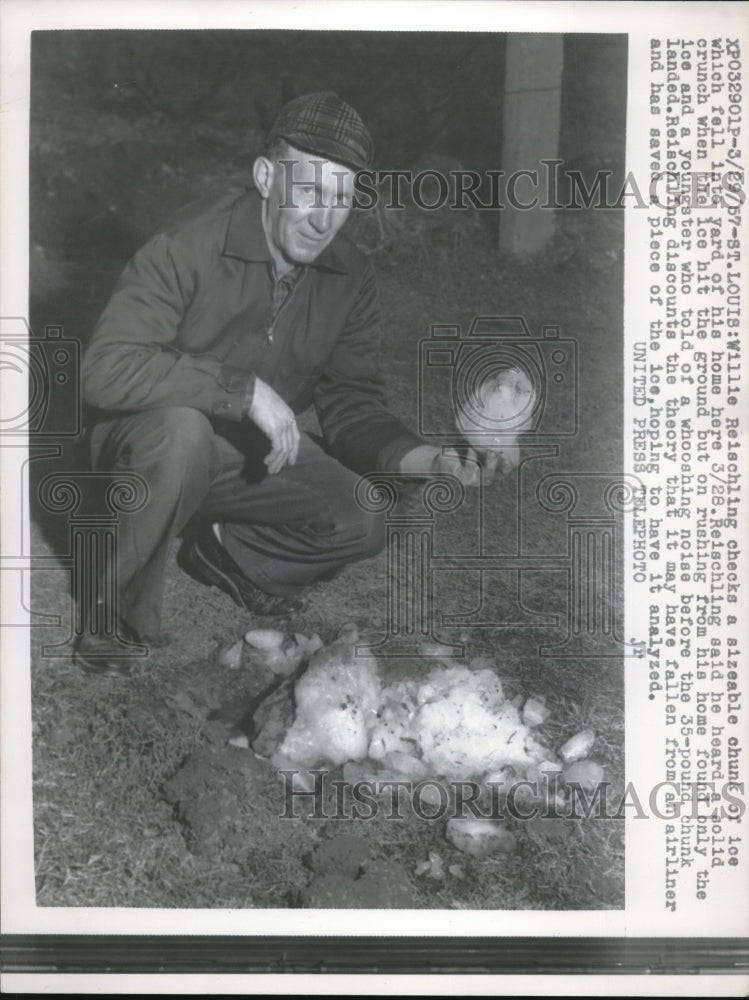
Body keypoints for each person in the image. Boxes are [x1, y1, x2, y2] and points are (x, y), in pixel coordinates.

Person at [76, 91, 505, 677]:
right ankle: (114, 618)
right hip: (145, 453)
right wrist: (243, 389)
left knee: (367, 512)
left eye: (342, 198)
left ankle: (227, 551)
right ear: (265, 178)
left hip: (242, 462)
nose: (324, 219)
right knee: (181, 430)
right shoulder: (186, 247)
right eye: (307, 191)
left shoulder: (349, 276)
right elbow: (105, 368)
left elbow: (352, 404)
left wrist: (430, 460)